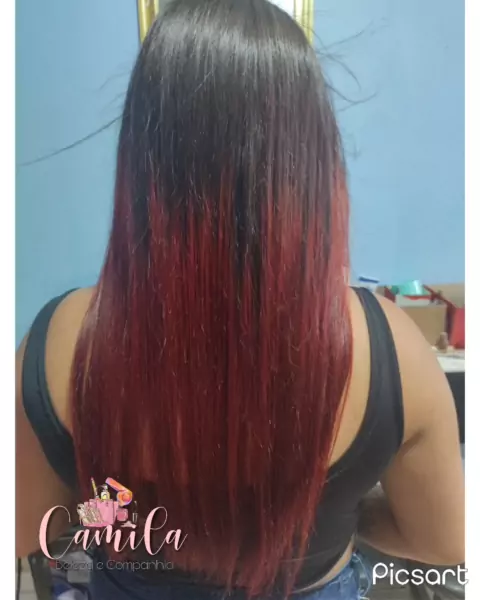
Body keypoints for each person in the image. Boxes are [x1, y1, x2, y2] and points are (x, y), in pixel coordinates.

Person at [16, 0, 465, 598]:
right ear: (310, 160)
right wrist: (339, 521)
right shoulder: (395, 355)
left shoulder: (54, 344)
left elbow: (26, 526)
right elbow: (444, 540)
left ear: (145, 154)